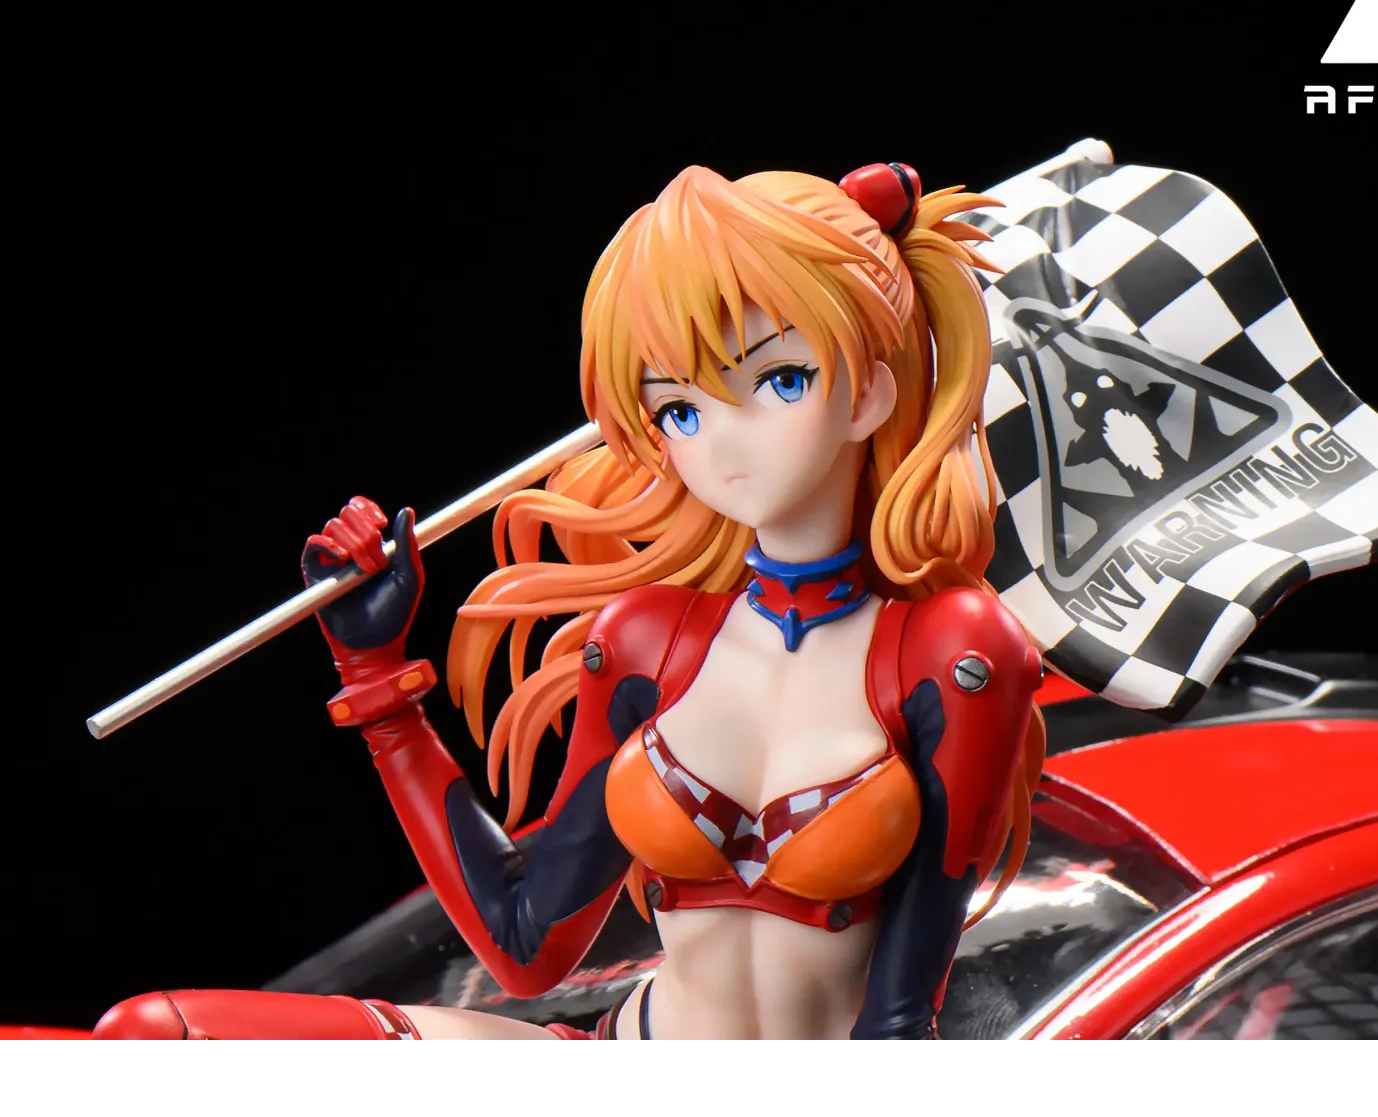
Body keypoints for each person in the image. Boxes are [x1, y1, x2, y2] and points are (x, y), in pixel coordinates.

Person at [96, 162, 1045, 1040]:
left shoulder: (953, 652)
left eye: (778, 379)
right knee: (153, 1035)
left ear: (869, 395)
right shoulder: (647, 641)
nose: (722, 442)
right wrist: (377, 678)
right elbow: (526, 946)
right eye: (679, 408)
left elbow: (897, 1027)